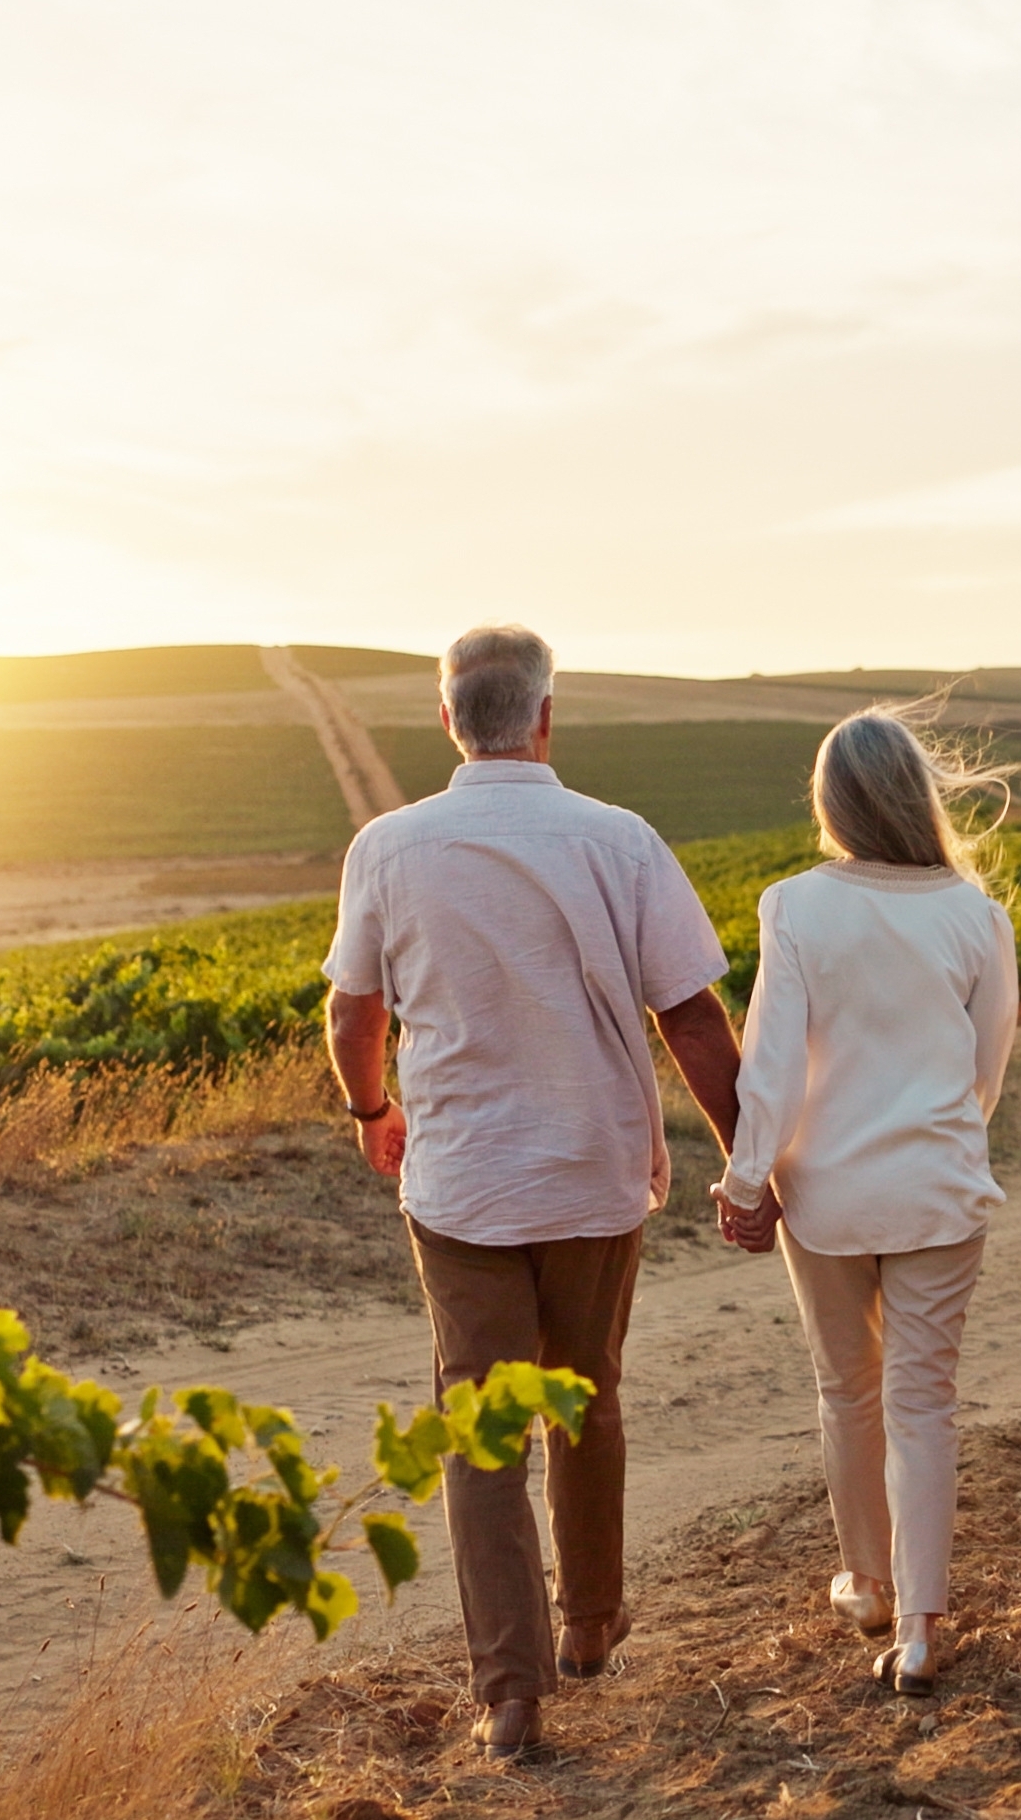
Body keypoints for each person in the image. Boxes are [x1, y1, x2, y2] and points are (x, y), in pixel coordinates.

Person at [323, 625, 744, 1758]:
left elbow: (353, 1010)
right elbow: (692, 1015)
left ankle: (509, 1691)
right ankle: (593, 1622)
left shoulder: (388, 846)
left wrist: (371, 1108)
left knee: (483, 1430)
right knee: (587, 1393)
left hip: (460, 1182)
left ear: (450, 719)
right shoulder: (622, 839)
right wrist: (747, 1153)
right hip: (595, 1170)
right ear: (545, 716)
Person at [710, 708, 1021, 1697]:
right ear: (918, 795)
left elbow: (772, 1064)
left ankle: (869, 1583)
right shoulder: (977, 914)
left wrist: (746, 1178)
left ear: (830, 801)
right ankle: (923, 1626)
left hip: (828, 1192)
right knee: (923, 1396)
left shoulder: (794, 904)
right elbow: (984, 1075)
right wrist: (929, 1130)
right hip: (937, 1185)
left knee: (848, 1385)